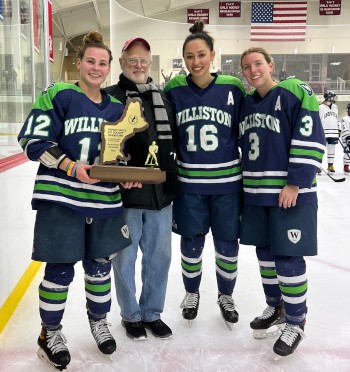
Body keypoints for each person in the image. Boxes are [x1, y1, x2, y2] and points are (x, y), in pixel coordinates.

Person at [17, 31, 137, 370]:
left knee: (100, 268)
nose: (96, 68)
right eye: (90, 61)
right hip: (62, 198)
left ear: (109, 68)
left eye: (103, 63)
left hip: (103, 201)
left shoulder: (117, 107)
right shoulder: (58, 95)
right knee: (59, 270)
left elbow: (117, 155)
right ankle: (49, 333)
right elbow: (31, 139)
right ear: (79, 63)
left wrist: (123, 173)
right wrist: (71, 166)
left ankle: (99, 322)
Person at [239, 47, 326, 357]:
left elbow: (310, 135)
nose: (252, 70)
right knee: (265, 256)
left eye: (258, 63)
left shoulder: (292, 91)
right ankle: (276, 307)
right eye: (246, 66)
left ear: (270, 65)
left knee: (288, 258)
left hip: (290, 195)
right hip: (257, 195)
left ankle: (296, 320)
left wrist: (295, 182)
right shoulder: (247, 104)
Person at [164, 20, 245, 329]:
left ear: (212, 55)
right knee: (191, 244)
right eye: (189, 56)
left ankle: (226, 296)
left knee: (227, 245)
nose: (195, 62)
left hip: (227, 185)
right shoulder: (173, 89)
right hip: (189, 185)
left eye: (201, 55)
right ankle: (191, 293)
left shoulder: (232, 87)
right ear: (183, 59)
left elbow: (244, 132)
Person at [105, 37, 177, 340]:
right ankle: (130, 314)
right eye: (132, 59)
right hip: (126, 196)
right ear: (121, 63)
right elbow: (103, 148)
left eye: (143, 60)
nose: (138, 65)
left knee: (159, 257)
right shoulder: (109, 98)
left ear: (150, 63)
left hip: (161, 195)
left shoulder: (162, 99)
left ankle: (152, 312)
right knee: (125, 257)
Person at [319, 91, 339, 173]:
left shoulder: (335, 107)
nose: (334, 98)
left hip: (333, 132)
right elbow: (318, 120)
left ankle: (330, 165)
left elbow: (336, 119)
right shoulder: (320, 107)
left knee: (332, 150)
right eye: (333, 97)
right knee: (321, 150)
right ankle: (318, 166)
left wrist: (338, 129)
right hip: (323, 132)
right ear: (329, 98)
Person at [340, 102, 350, 174]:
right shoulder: (345, 118)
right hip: (347, 138)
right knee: (348, 152)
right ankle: (346, 166)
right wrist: (347, 138)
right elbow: (344, 128)